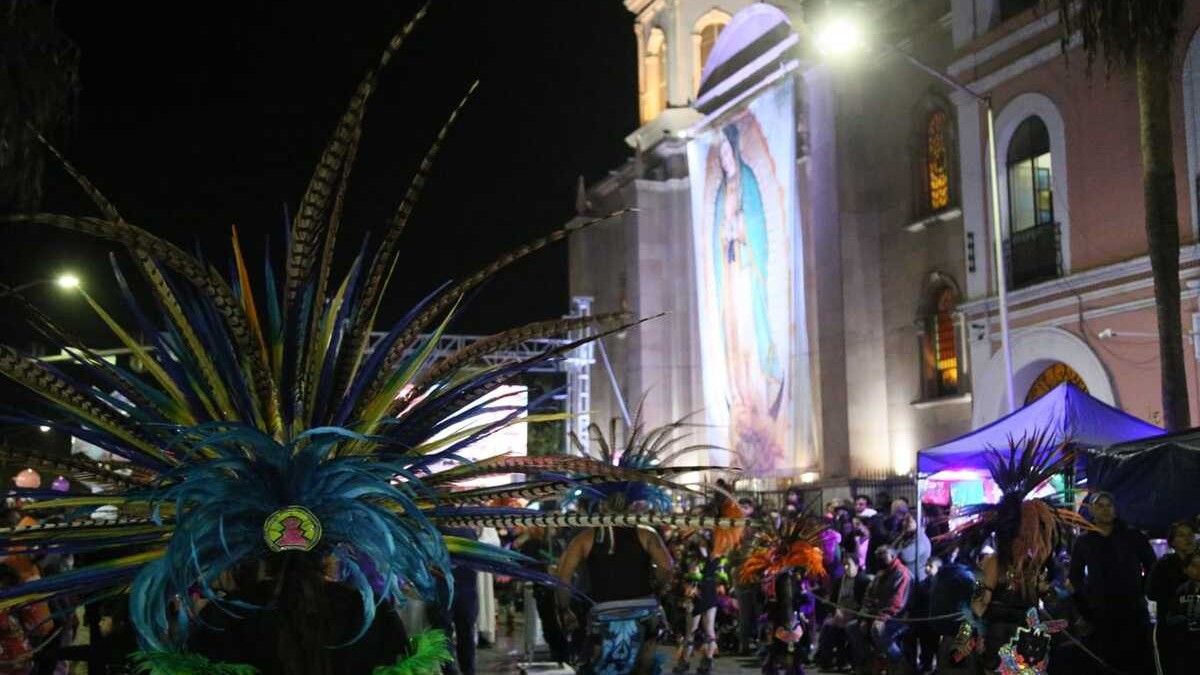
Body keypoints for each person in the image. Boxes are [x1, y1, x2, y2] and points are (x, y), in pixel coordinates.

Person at [556, 524, 674, 675]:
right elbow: (667, 567)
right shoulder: (646, 534)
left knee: (599, 665)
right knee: (645, 665)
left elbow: (563, 578)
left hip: (604, 613)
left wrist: (564, 609)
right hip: (644, 610)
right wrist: (658, 587)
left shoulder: (584, 538)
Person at [1069, 492, 1156, 675]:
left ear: (1115, 510)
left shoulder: (1132, 536)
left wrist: (1141, 588)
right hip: (1101, 613)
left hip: (1133, 609)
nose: (1105, 510)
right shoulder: (1084, 541)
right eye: (1100, 506)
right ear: (1092, 511)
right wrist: (1087, 600)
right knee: (1105, 662)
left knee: (1139, 660)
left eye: (1109, 505)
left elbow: (1151, 564)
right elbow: (1075, 576)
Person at [847, 545, 912, 675]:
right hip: (876, 615)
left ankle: (899, 661)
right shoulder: (881, 573)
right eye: (878, 555)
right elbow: (868, 596)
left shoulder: (902, 574)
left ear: (892, 556)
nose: (880, 559)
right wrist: (865, 617)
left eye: (883, 555)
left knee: (877, 630)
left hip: (898, 617)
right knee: (852, 627)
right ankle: (871, 660)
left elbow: (897, 603)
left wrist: (881, 618)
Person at [815, 556, 869, 671]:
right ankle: (827, 661)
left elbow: (865, 604)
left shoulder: (863, 581)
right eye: (843, 565)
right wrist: (836, 611)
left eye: (848, 564)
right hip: (840, 614)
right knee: (827, 626)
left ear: (857, 566)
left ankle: (850, 661)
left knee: (849, 627)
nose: (845, 567)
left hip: (855, 615)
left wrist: (852, 614)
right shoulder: (839, 581)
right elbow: (833, 601)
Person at [1157, 553, 1200, 675]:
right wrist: (1184, 619)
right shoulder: (1182, 590)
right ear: (1185, 570)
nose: (1199, 570)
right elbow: (1171, 617)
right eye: (1194, 566)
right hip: (1185, 645)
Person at [1149, 520, 1197, 625]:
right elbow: (1152, 593)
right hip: (1172, 626)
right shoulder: (1163, 566)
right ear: (1172, 542)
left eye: (1190, 534)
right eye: (1181, 535)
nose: (1188, 539)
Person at [904, 557, 942, 675]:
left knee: (934, 646)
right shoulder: (923, 583)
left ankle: (934, 666)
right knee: (925, 646)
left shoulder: (941, 585)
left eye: (930, 566)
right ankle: (925, 665)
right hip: (923, 620)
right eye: (926, 565)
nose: (926, 568)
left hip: (935, 622)